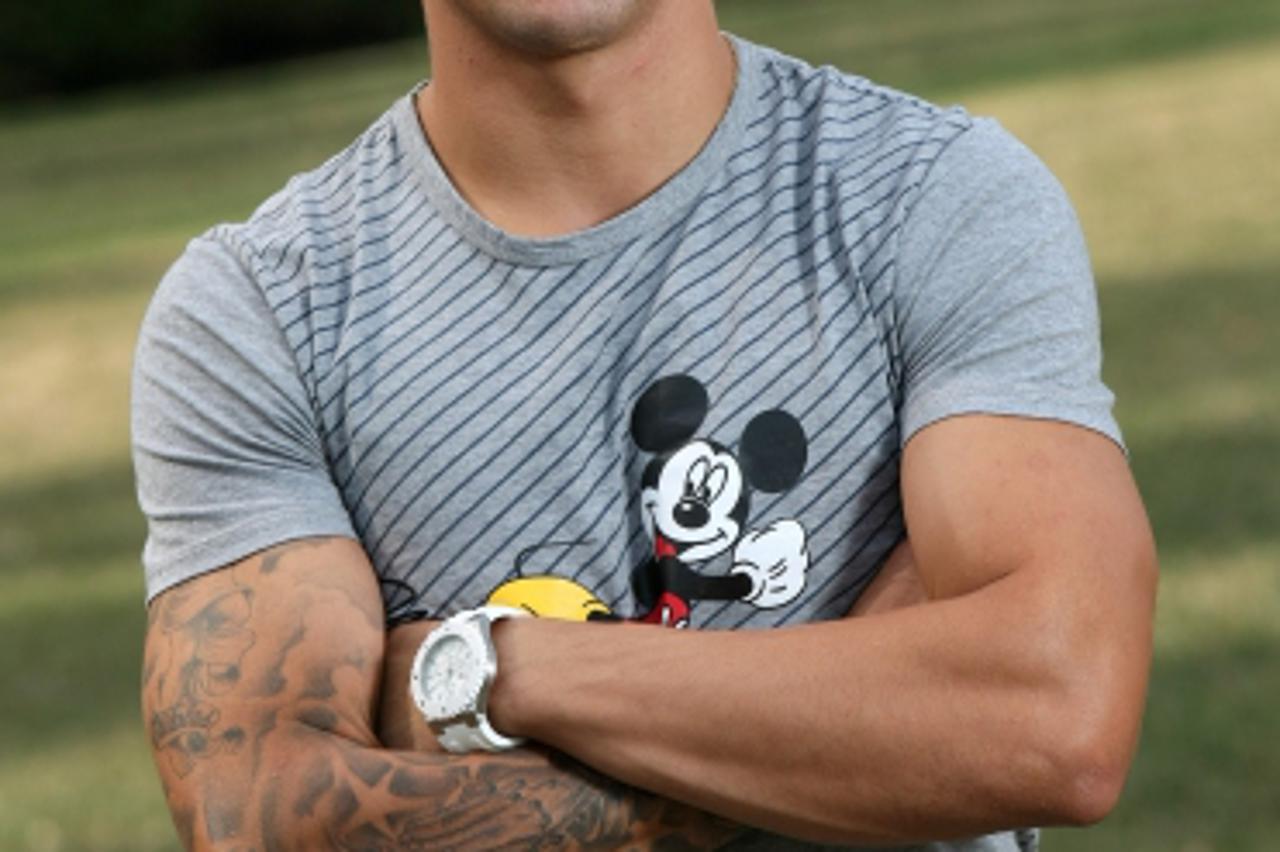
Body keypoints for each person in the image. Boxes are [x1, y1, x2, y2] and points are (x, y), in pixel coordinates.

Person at [132, 1, 1157, 849]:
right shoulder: (264, 311)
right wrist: (864, 732)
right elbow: (261, 820)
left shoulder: (927, 198)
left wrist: (493, 672)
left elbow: (1051, 722)